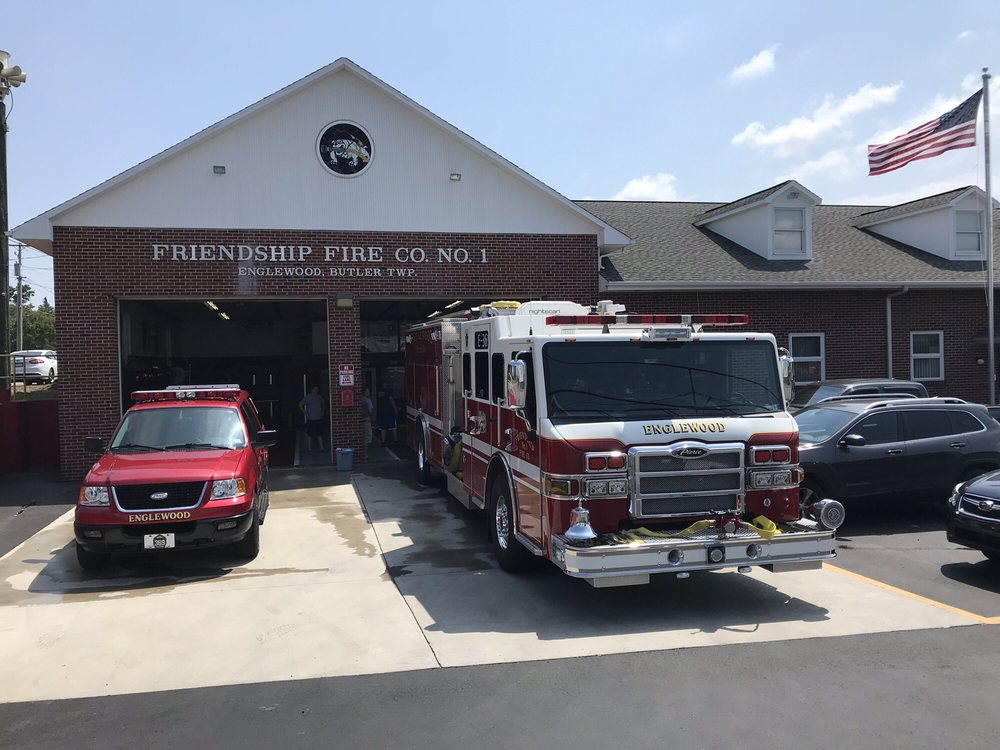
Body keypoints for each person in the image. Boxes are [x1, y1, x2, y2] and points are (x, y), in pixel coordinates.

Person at [299, 385, 326, 452]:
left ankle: (321, 447)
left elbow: (323, 404)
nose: (316, 390)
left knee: (319, 433)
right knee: (310, 434)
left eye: (317, 389)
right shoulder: (308, 397)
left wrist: (322, 412)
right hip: (311, 419)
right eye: (315, 389)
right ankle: (309, 448)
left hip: (319, 418)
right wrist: (305, 413)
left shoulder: (319, 397)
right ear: (312, 389)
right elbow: (300, 405)